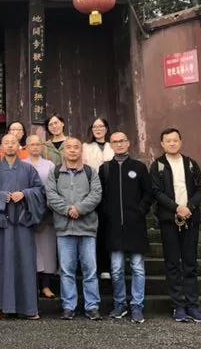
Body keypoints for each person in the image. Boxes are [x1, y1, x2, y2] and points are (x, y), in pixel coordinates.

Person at [0, 133, 46, 320]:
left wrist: (25, 194)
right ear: (1, 147)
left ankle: (28, 308)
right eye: (6, 143)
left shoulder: (28, 169)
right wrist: (1, 196)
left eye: (13, 142)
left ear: (19, 146)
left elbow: (40, 191)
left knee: (25, 262)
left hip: (22, 222)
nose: (10, 146)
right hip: (2, 223)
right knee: (1, 263)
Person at [150, 127, 201, 323]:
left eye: (175, 140)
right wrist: (176, 208)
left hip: (191, 218)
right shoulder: (158, 165)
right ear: (162, 144)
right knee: (173, 263)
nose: (172, 143)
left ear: (181, 142)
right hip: (169, 220)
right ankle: (178, 306)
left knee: (190, 263)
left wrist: (189, 207)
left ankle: (192, 305)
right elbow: (156, 191)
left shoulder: (191, 164)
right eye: (168, 141)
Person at [44, 137, 102, 320]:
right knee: (67, 270)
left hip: (87, 228)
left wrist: (80, 209)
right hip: (64, 228)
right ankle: (69, 306)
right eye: (68, 147)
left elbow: (96, 194)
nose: (72, 150)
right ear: (64, 151)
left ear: (81, 150)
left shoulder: (90, 172)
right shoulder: (55, 173)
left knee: (90, 270)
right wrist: (68, 210)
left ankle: (92, 306)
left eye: (76, 147)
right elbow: (51, 196)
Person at [99, 131, 152, 324]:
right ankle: (120, 303)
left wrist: (140, 211)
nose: (119, 144)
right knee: (116, 269)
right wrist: (108, 213)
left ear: (128, 143)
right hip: (114, 227)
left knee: (138, 268)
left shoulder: (139, 167)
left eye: (122, 141)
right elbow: (100, 195)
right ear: (111, 145)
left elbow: (148, 193)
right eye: (115, 141)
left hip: (135, 225)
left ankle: (137, 305)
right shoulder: (105, 168)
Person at [23, 134, 58, 299]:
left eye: (38, 144)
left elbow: (53, 188)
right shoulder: (22, 164)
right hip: (27, 213)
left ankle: (46, 285)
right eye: (32, 144)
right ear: (26, 147)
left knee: (47, 250)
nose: (35, 147)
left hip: (46, 212)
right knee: (32, 250)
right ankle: (32, 286)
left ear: (42, 147)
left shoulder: (50, 165)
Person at [82, 116, 115, 281]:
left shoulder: (113, 145)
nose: (98, 129)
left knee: (109, 229)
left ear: (106, 128)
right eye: (95, 126)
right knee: (96, 230)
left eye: (101, 126)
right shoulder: (85, 146)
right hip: (92, 191)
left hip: (112, 192)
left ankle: (110, 266)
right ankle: (96, 266)